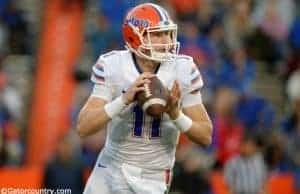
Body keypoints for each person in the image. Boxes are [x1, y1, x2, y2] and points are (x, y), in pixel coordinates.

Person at [77, 3, 213, 194]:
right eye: (157, 34)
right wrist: (123, 100)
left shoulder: (182, 69)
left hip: (153, 176)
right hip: (111, 168)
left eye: (167, 33)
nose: (166, 40)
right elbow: (84, 127)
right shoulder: (114, 66)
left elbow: (205, 136)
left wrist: (176, 115)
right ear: (135, 36)